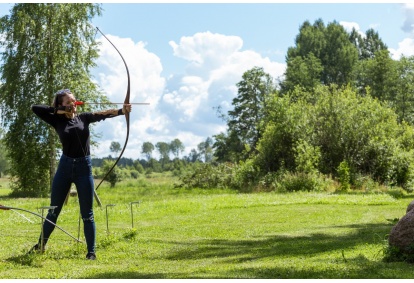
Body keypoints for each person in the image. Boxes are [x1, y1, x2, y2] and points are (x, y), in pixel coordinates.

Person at [30, 89, 132, 260]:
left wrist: (122, 111)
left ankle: (91, 252)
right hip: (65, 167)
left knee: (87, 214)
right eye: (69, 101)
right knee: (53, 210)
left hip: (84, 168)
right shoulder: (56, 120)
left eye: (74, 100)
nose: (73, 103)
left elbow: (103, 114)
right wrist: (58, 111)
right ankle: (40, 245)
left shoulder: (83, 117)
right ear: (61, 104)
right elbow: (35, 108)